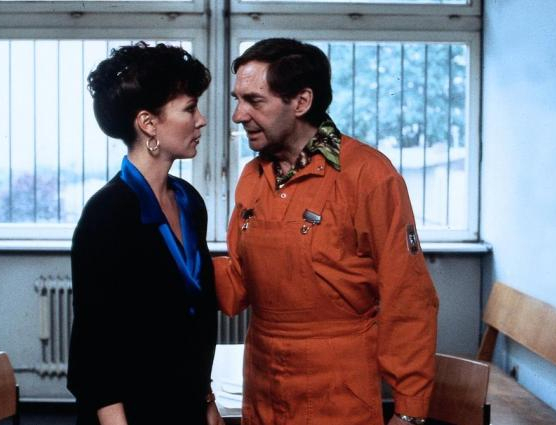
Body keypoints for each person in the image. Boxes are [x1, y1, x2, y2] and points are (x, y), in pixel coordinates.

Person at [214, 38, 439, 425]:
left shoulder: (369, 175)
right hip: (264, 382)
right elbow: (238, 283)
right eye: (238, 100)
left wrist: (409, 411)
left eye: (254, 101)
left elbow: (409, 298)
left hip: (338, 390)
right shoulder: (253, 177)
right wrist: (173, 258)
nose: (238, 115)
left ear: (301, 102)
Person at [67, 42, 224, 425]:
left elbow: (196, 321)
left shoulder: (189, 201)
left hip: (186, 406)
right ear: (149, 123)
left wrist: (207, 401)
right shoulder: (106, 213)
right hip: (130, 414)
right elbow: (94, 345)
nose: (201, 120)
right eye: (190, 108)